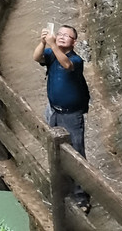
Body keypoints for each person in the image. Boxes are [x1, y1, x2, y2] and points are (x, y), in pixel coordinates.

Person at [33, 25, 90, 212]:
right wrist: (43, 43)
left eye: (67, 36)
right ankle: (62, 187)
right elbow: (36, 57)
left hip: (71, 114)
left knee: (77, 153)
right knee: (55, 149)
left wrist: (52, 45)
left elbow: (66, 65)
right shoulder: (51, 53)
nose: (62, 37)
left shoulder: (76, 59)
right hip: (54, 110)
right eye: (60, 34)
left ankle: (81, 196)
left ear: (74, 42)